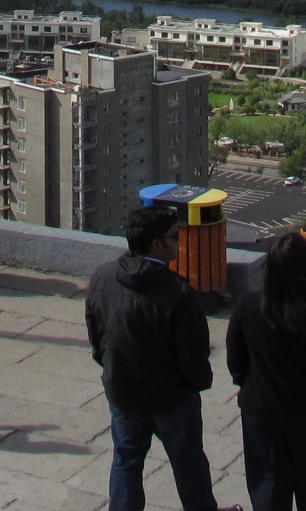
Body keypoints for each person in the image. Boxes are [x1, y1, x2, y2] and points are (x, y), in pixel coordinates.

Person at [86, 200, 222, 511]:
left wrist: (110, 367)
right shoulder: (179, 293)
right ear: (157, 244)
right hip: (171, 399)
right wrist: (197, 383)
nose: (180, 241)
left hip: (123, 391)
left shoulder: (102, 277)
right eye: (175, 237)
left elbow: (97, 335)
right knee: (188, 462)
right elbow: (194, 354)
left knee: (126, 460)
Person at [225, 232, 306, 511]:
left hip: (261, 411)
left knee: (268, 489)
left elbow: (236, 363)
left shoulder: (247, 306)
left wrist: (251, 386)